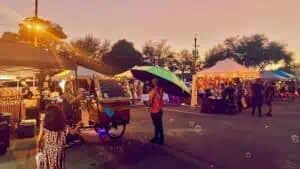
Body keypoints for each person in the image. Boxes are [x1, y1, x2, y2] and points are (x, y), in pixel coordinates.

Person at [148, 78, 164, 145]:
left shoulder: (160, 89)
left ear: (157, 82)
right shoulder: (152, 89)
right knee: (155, 125)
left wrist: (157, 90)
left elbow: (160, 97)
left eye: (155, 81)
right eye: (153, 82)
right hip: (152, 110)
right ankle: (156, 137)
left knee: (159, 125)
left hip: (158, 110)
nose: (153, 83)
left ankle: (161, 139)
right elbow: (150, 99)